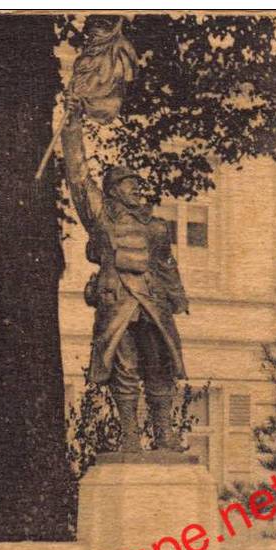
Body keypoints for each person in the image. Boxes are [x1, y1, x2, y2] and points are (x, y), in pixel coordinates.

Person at [60, 109, 190, 452]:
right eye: (129, 184)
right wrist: (72, 129)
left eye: (137, 184)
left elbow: (165, 262)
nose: (137, 189)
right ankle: (130, 436)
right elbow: (78, 177)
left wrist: (178, 296)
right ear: (114, 191)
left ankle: (164, 435)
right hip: (118, 302)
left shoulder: (156, 226)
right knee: (125, 369)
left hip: (153, 304)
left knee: (160, 368)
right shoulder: (101, 219)